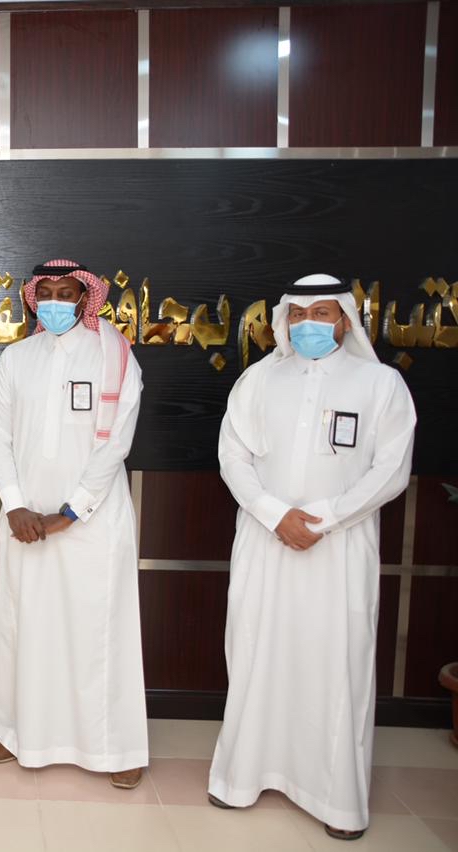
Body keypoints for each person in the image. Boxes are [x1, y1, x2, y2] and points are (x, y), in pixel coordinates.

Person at [209, 274, 416, 841]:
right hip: (264, 539)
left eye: (322, 314)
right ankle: (241, 777)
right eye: (298, 315)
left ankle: (337, 800)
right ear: (284, 321)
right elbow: (233, 456)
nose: (308, 325)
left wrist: (323, 519)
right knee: (255, 651)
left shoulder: (380, 384)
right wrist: (274, 513)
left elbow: (391, 470)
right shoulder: (258, 379)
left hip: (340, 549)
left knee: (336, 663)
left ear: (345, 320)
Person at [0, 259, 148, 788]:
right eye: (46, 292)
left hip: (92, 522)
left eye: (66, 292)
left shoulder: (113, 355)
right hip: (24, 520)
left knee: (99, 630)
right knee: (23, 625)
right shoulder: (16, 358)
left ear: (84, 297)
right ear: (34, 299)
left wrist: (71, 511)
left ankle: (117, 747)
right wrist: (15, 504)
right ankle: (17, 732)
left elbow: (116, 443)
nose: (55, 301)